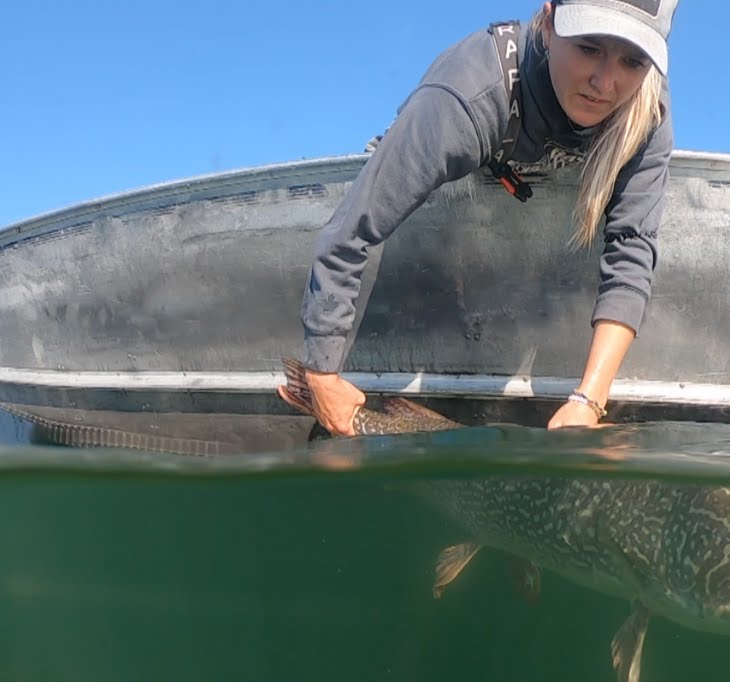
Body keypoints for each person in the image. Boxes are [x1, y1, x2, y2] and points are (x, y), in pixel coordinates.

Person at [278, 0, 679, 435]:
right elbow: (349, 231)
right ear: (549, 22)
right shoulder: (469, 92)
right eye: (588, 48)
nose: (605, 82)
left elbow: (631, 250)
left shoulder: (648, 109)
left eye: (633, 61)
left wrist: (588, 399)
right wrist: (321, 373)